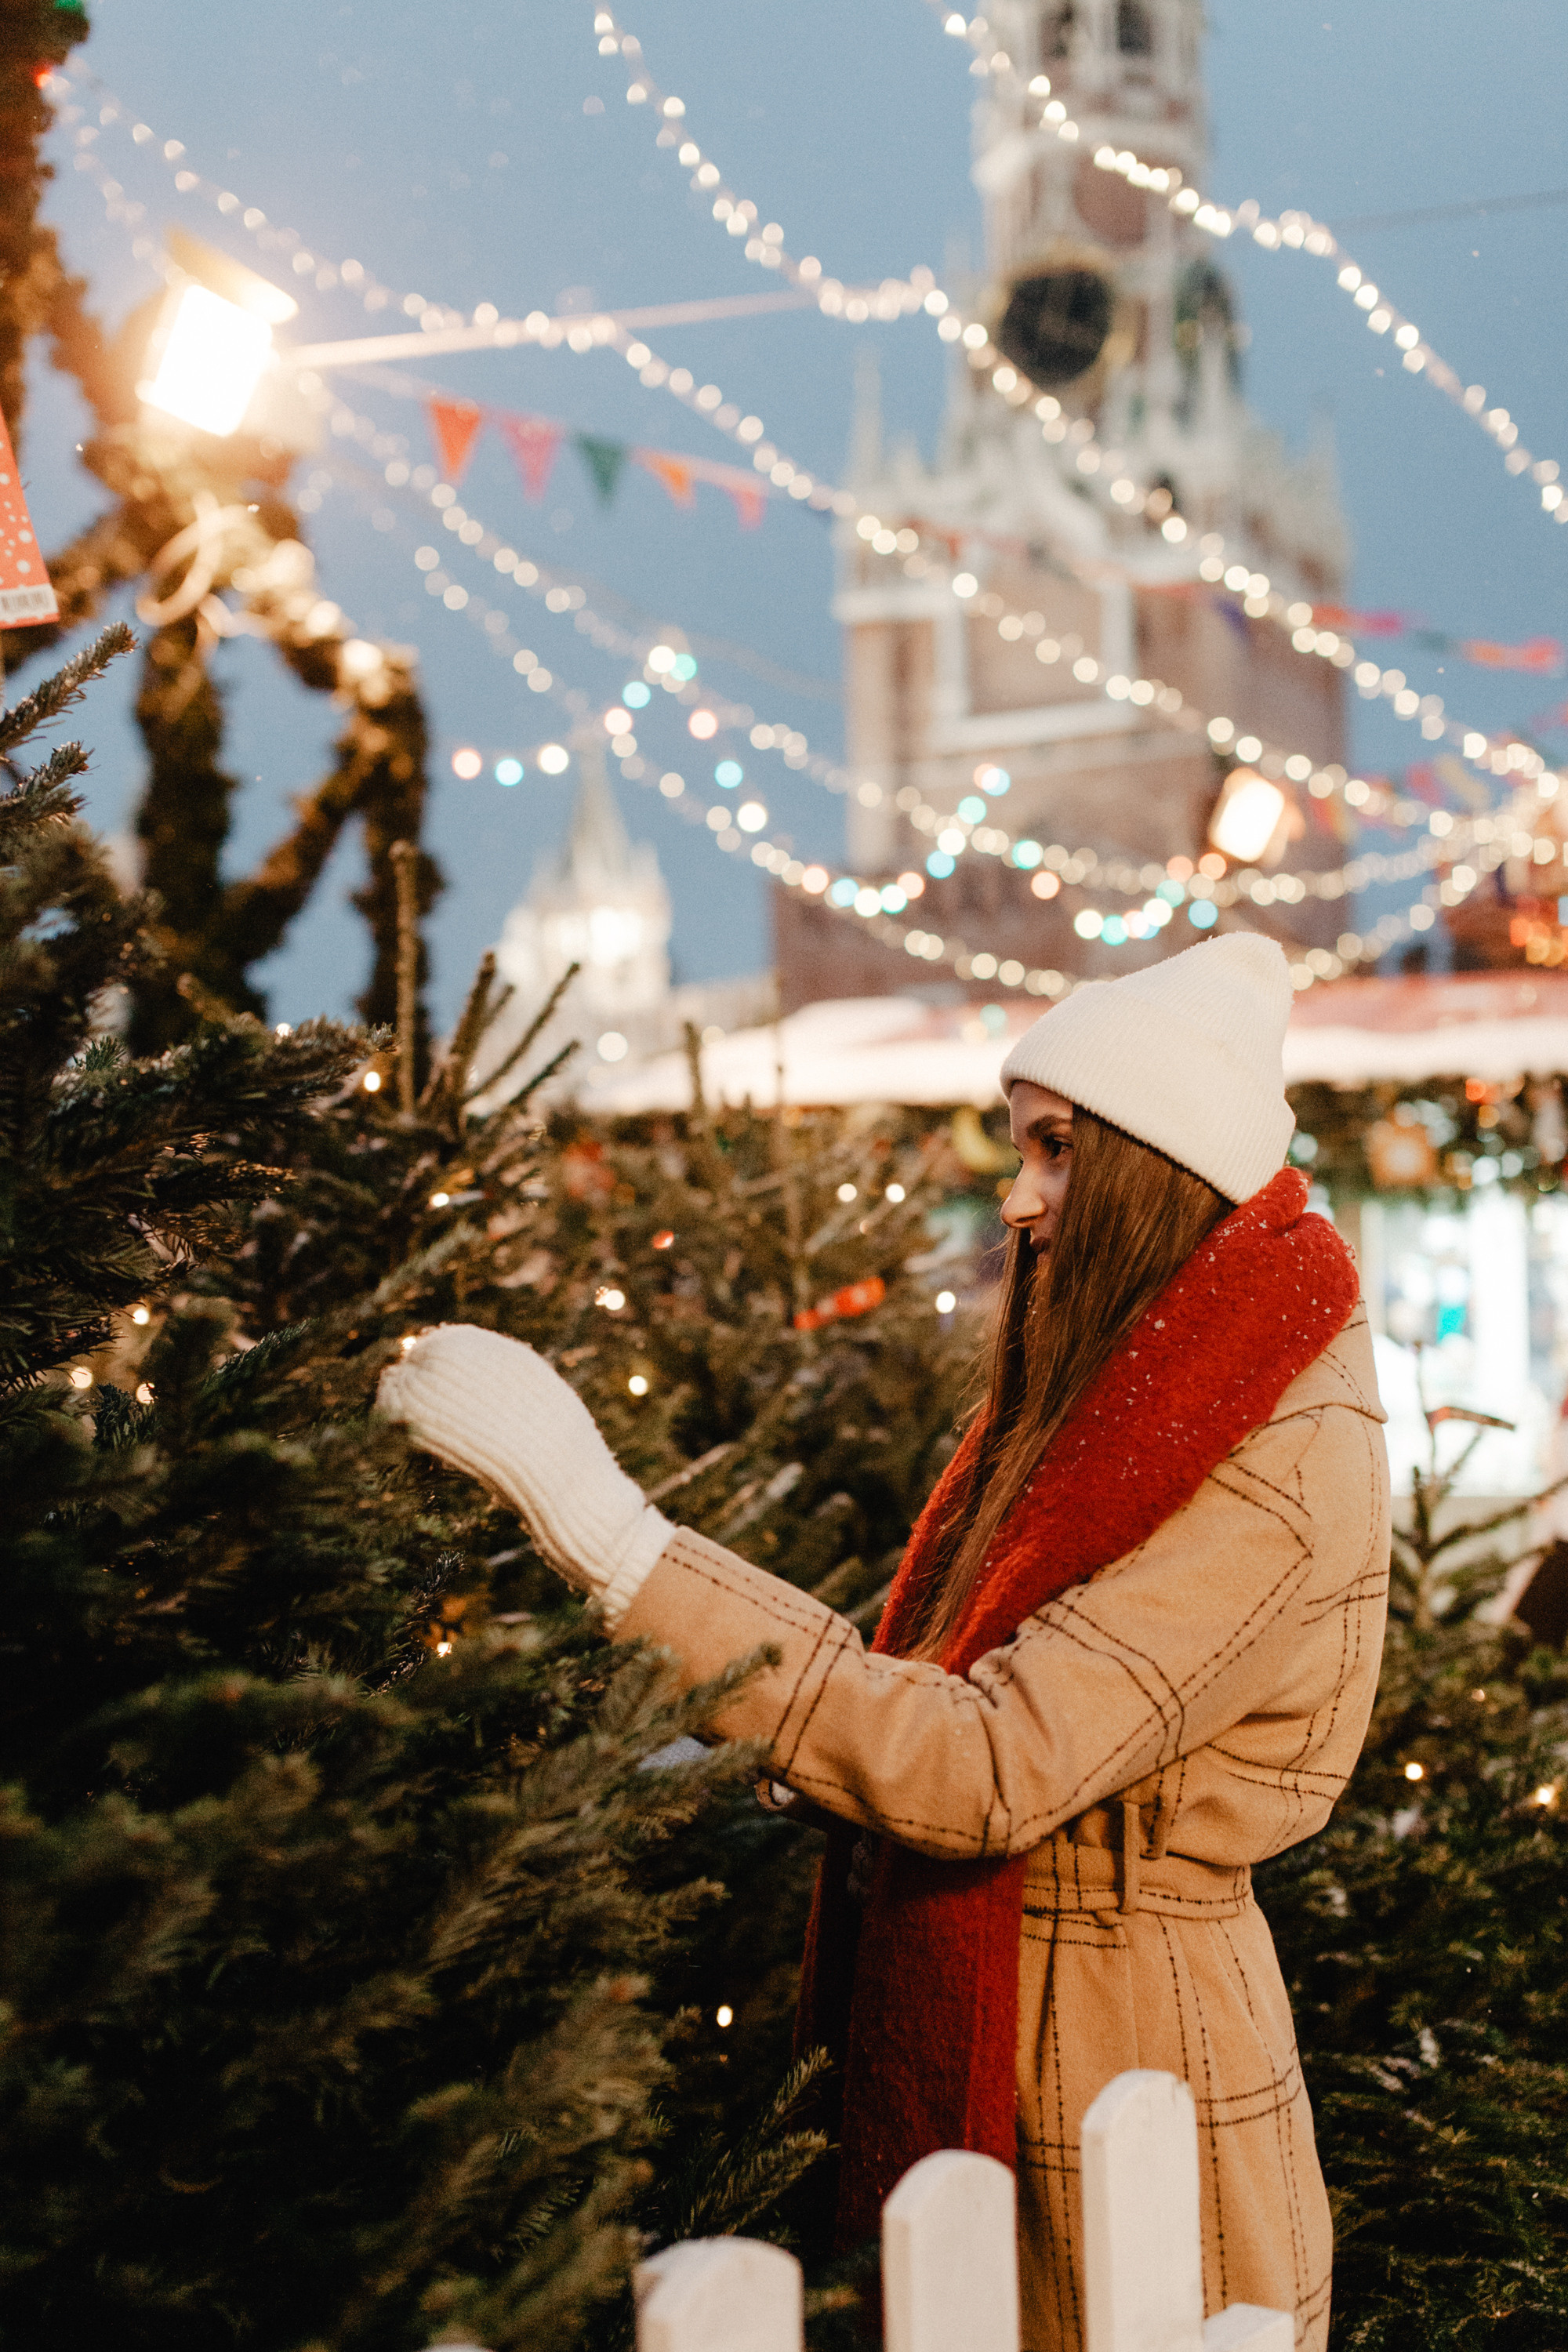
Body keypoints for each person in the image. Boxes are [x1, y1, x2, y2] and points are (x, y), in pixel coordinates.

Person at [379, 933, 1391, 2352]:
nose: (1018, 1196)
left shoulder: (1267, 1444)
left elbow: (988, 1763)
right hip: (1057, 2015)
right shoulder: (1127, 1391)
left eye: (1053, 1151)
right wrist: (794, 1739)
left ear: (1156, 1166)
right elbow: (951, 1693)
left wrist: (613, 1535)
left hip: (1121, 2063)